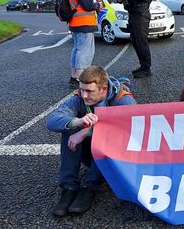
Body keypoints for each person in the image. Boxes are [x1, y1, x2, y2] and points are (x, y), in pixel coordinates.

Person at [45, 65, 137, 218]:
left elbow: (129, 127)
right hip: (90, 153)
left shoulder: (123, 99)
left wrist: (86, 131)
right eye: (81, 90)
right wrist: (77, 122)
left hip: (115, 157)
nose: (84, 95)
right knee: (69, 127)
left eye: (89, 91)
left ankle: (90, 187)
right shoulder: (80, 97)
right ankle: (69, 187)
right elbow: (52, 121)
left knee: (110, 134)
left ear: (103, 89)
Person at [61, 0, 102, 88]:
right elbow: (88, 5)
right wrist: (98, 5)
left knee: (77, 50)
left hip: (75, 23)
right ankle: (80, 78)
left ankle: (74, 76)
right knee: (85, 51)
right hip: (84, 24)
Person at [119, 0, 154, 77]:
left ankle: (146, 69)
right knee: (135, 41)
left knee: (141, 42)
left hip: (141, 15)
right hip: (132, 14)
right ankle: (142, 66)